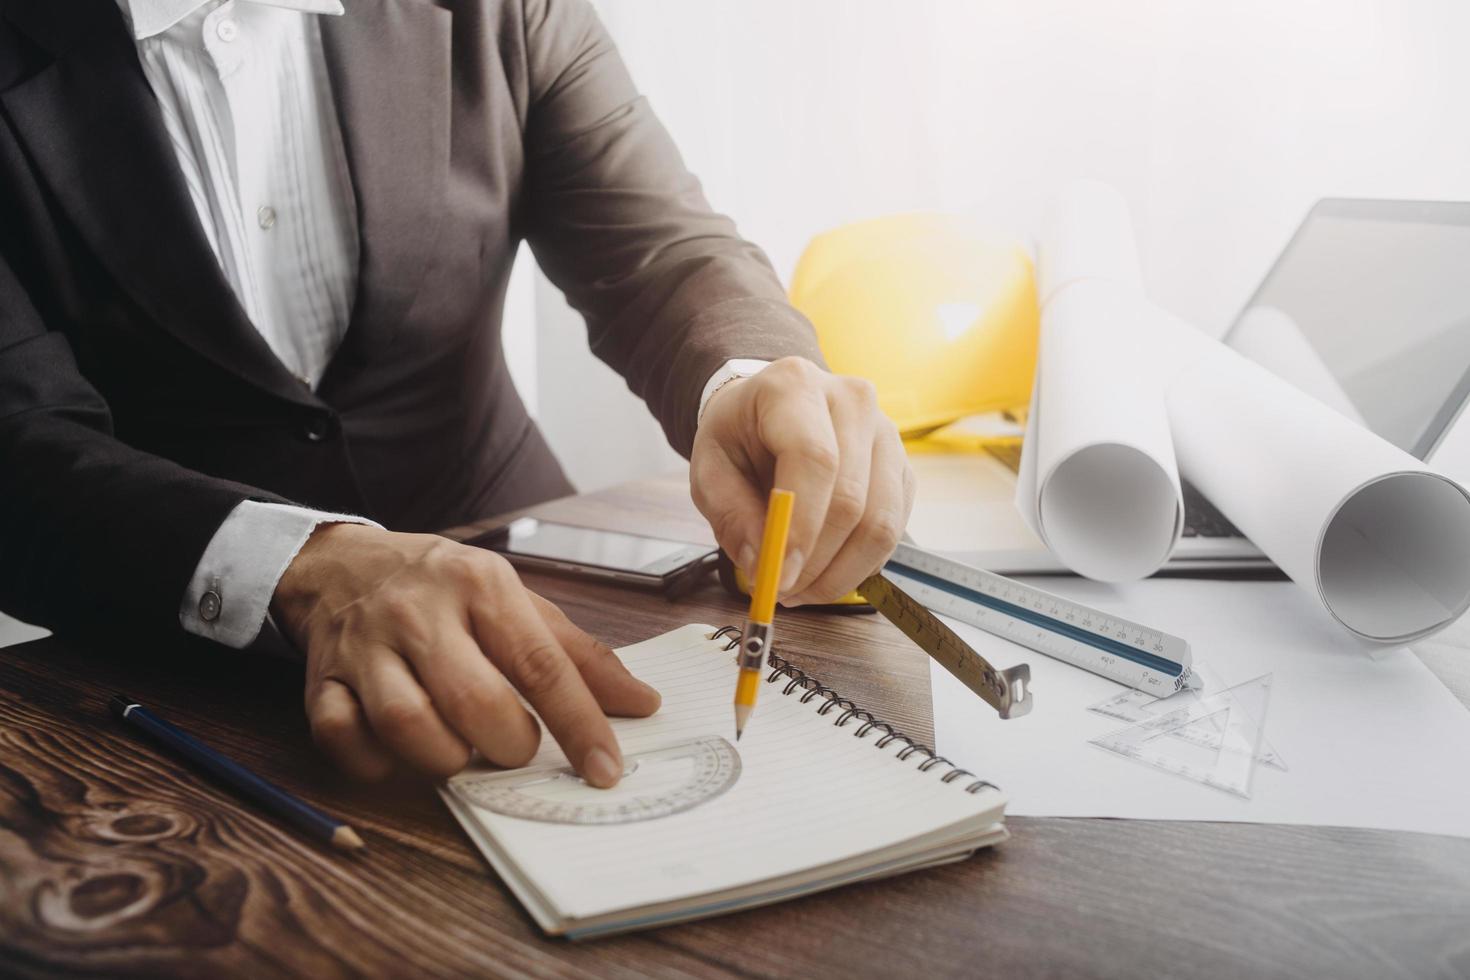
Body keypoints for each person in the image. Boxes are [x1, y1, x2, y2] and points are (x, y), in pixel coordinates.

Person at [0, 0, 913, 787]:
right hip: (180, 698)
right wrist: (296, 567)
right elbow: (20, 442)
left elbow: (662, 253)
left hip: (555, 605)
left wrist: (745, 376)